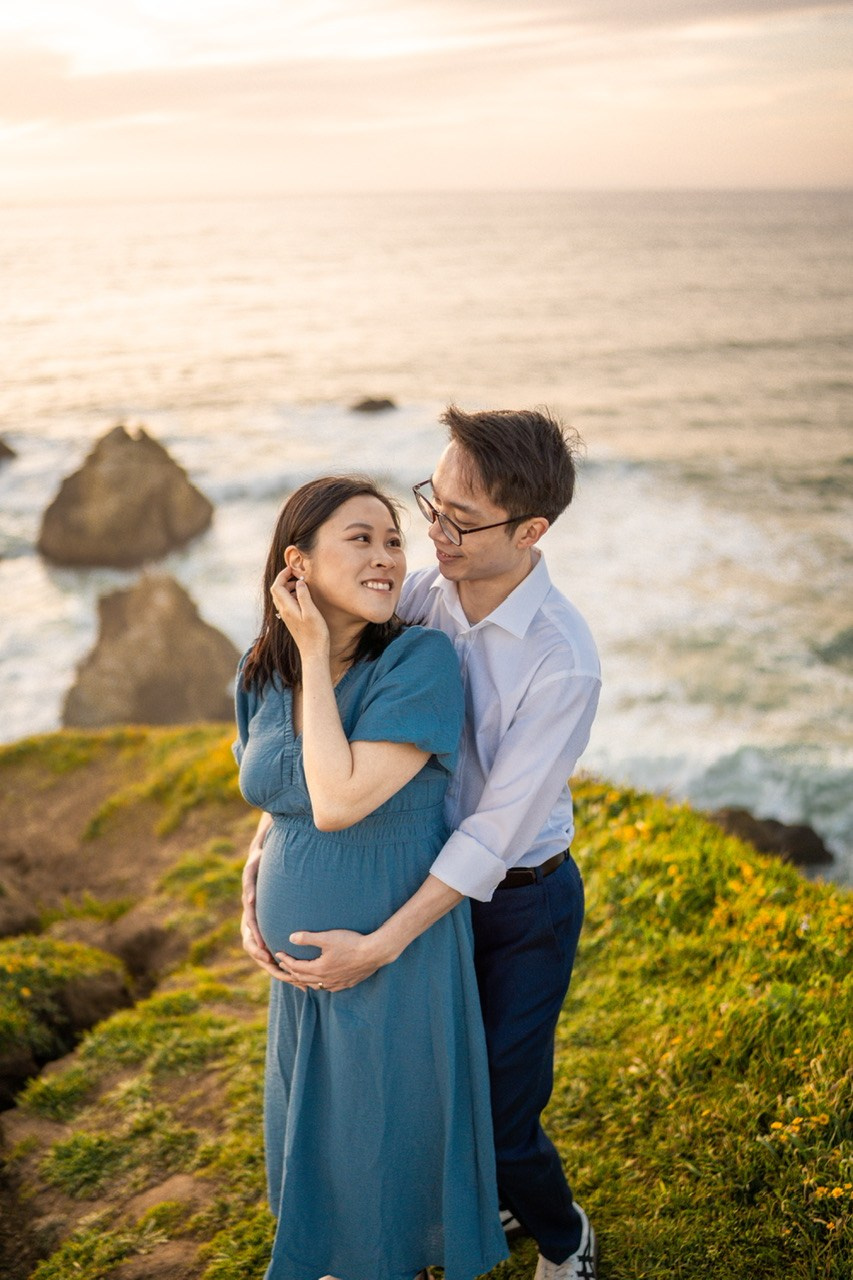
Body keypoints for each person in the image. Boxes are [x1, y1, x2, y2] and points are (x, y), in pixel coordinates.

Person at [242, 408, 602, 1280]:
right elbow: (325, 722)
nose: (430, 534)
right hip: (404, 878)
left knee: (500, 1116)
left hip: (517, 898)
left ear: (531, 530)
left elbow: (489, 835)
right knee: (419, 1098)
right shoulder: (413, 593)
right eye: (429, 506)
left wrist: (383, 943)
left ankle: (566, 1241)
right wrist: (258, 866)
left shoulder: (563, 662)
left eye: (460, 520)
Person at [233, 475, 508, 1280]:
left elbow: (339, 800)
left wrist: (315, 653)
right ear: (298, 563)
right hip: (301, 974)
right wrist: (249, 889)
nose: (389, 558)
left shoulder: (420, 662)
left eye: (393, 540)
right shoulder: (258, 672)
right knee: (320, 1129)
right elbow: (274, 796)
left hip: (395, 947)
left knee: (387, 1132)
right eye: (362, 539)